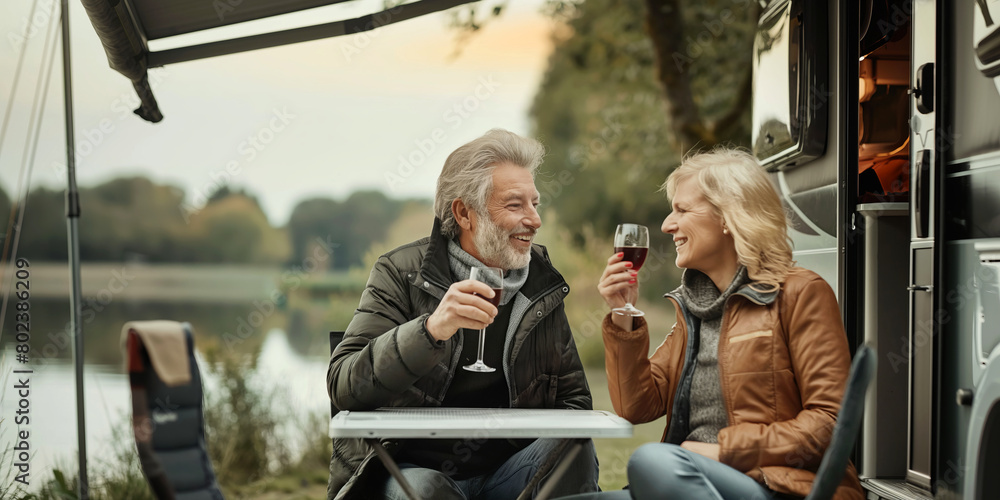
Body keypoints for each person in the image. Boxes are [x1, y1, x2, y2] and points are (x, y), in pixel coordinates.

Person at [326, 128, 598, 500]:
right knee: (426, 489)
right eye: (516, 205)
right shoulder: (400, 272)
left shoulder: (541, 283)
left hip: (509, 476)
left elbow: (575, 404)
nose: (535, 220)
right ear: (464, 213)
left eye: (535, 203)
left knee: (575, 447)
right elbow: (343, 385)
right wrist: (430, 330)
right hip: (414, 471)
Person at [594, 148, 864, 500]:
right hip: (691, 478)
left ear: (727, 217)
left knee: (651, 460)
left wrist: (726, 451)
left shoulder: (800, 293)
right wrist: (622, 313)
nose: (666, 225)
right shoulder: (694, 307)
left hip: (777, 486)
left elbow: (830, 422)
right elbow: (636, 406)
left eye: (682, 210)